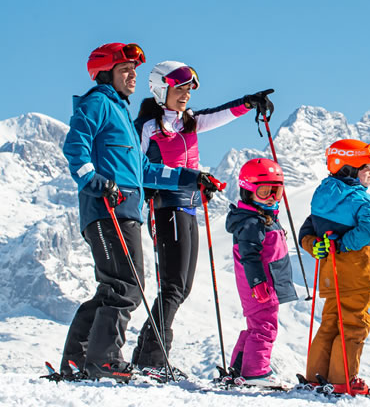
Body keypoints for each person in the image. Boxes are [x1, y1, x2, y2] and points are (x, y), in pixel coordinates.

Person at [58, 42, 220, 382]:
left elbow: (145, 170)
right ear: (106, 74)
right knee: (126, 286)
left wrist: (189, 178)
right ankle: (105, 360)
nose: (133, 75)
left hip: (125, 209)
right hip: (106, 208)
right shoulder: (98, 102)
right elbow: (76, 145)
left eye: (134, 70)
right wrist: (95, 181)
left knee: (113, 287)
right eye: (124, 70)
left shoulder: (121, 114)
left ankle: (78, 359)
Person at [128, 60, 275, 380]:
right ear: (159, 89)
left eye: (188, 90)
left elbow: (221, 114)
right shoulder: (148, 127)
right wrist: (181, 183)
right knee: (173, 286)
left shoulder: (189, 121)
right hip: (165, 207)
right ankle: (152, 358)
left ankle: (146, 355)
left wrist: (250, 102)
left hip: (190, 208)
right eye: (179, 89)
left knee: (181, 286)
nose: (185, 95)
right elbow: (137, 170)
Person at [297, 139, 370, 396]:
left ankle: (316, 377)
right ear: (347, 169)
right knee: (355, 325)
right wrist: (346, 243)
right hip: (356, 273)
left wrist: (316, 246)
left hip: (329, 273)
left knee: (331, 323)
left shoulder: (322, 196)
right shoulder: (358, 198)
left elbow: (307, 229)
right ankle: (341, 380)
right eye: (365, 166)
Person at [223, 158, 299, 388]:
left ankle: (239, 368)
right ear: (248, 191)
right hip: (261, 286)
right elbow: (249, 255)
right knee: (265, 328)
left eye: (277, 192)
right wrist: (258, 283)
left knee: (256, 327)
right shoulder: (252, 222)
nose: (273, 198)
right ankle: (257, 372)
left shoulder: (262, 219)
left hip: (265, 284)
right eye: (265, 192)